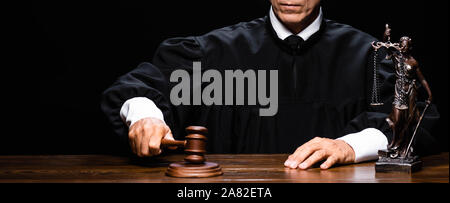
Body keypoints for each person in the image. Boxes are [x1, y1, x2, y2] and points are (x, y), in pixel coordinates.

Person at [101, 0, 438, 170]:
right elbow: (138, 87)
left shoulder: (369, 55)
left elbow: (418, 118)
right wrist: (145, 115)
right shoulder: (213, 53)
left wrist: (350, 147)